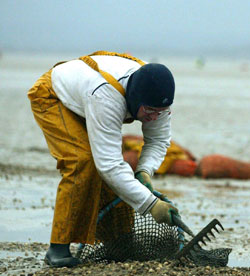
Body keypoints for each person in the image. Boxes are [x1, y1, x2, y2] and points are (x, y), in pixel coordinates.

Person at [27, 51, 180, 267]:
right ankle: (58, 249)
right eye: (150, 111)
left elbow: (158, 141)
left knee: (122, 172)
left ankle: (119, 242)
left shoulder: (157, 96)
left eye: (161, 112)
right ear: (136, 97)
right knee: (83, 162)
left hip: (85, 95)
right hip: (53, 96)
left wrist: (144, 171)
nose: (154, 116)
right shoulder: (106, 97)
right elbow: (108, 165)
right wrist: (151, 204)